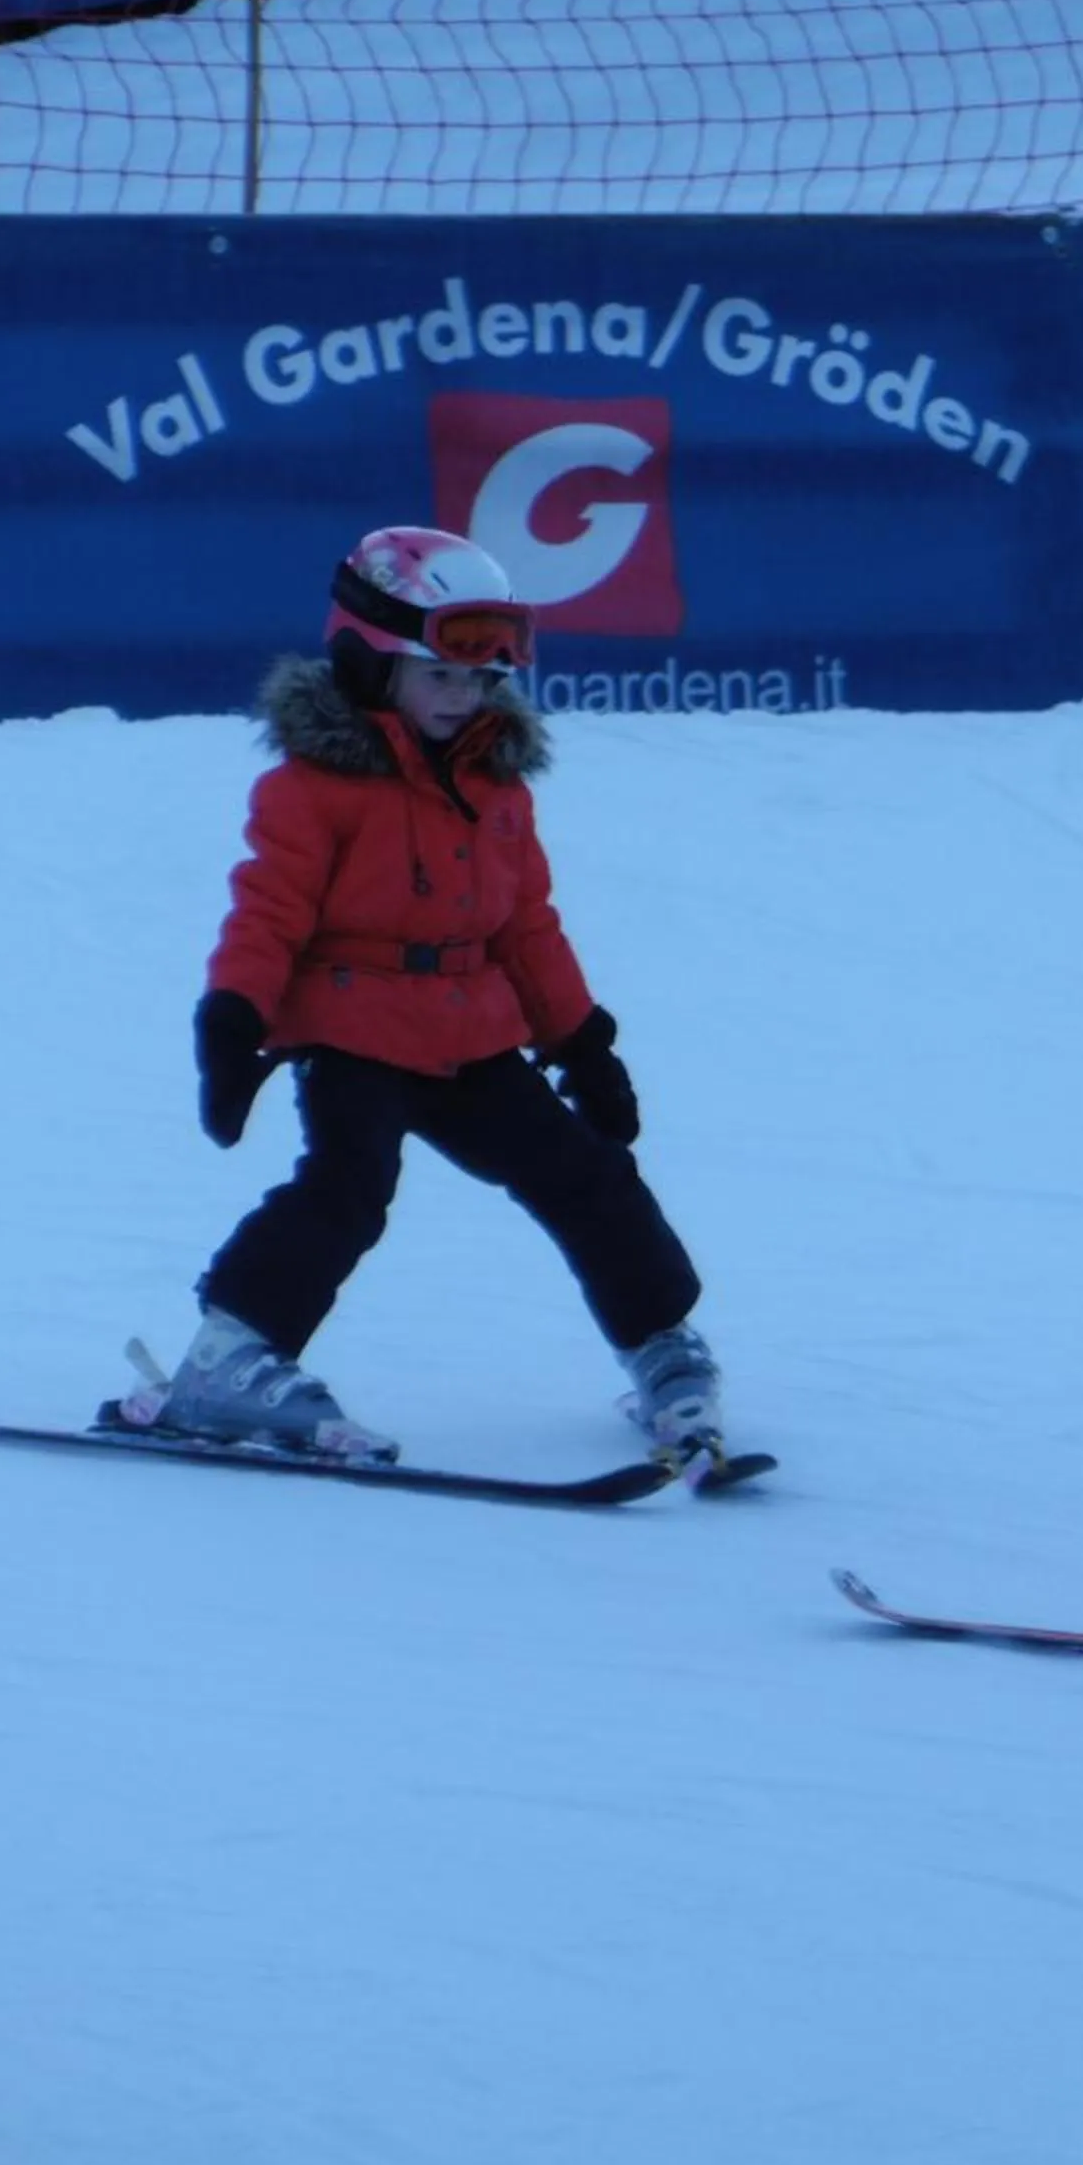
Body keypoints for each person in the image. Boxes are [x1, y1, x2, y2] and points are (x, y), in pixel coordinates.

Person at [139, 525, 722, 1464]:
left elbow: (526, 925)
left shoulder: (494, 786)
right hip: (350, 1028)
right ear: (372, 665)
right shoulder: (312, 788)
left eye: (482, 680)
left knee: (586, 1175)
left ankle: (662, 1346)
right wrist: (232, 1019)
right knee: (349, 1188)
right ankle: (226, 1360)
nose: (465, 697)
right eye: (441, 675)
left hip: (470, 1035)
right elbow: (269, 912)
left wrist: (582, 1045)